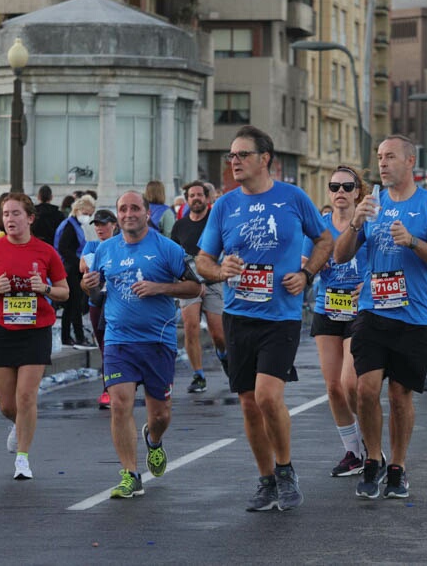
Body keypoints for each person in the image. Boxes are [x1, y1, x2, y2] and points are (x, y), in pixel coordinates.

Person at [196, 125, 333, 511]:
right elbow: (203, 260)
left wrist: (306, 276)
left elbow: (325, 240)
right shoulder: (224, 205)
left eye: (242, 155)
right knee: (248, 404)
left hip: (281, 317)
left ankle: (286, 469)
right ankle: (266, 479)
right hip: (239, 315)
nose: (234, 162)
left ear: (264, 159)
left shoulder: (292, 198)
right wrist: (220, 271)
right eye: (231, 157)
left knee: (268, 397)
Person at [333, 135, 427, 500]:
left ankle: (398, 466)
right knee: (365, 391)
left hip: (413, 315)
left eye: (390, 157)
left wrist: (414, 243)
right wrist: (355, 223)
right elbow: (339, 256)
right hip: (372, 311)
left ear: (410, 161)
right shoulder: (372, 203)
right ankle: (373, 459)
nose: (382, 163)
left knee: (400, 396)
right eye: (380, 157)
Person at [81, 191, 201, 499]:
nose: (128, 213)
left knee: (160, 415)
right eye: (123, 209)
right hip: (118, 340)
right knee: (120, 404)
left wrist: (160, 287)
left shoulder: (167, 248)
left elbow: (195, 286)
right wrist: (89, 288)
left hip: (157, 341)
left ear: (147, 213)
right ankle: (130, 474)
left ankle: (154, 439)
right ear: (117, 215)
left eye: (135, 208)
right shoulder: (105, 250)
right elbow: (94, 295)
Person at [0, 193, 70, 480]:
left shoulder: (45, 251)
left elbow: (64, 291)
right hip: (1, 329)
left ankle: (23, 459)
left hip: (35, 330)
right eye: (5, 214)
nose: (10, 219)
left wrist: (46, 289)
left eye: (16, 213)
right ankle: (19, 424)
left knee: (26, 396)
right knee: (7, 404)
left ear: (29, 218)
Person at [305, 166, 369, 476]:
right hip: (328, 306)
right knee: (333, 388)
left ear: (358, 191)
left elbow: (385, 259)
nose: (340, 191)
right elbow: (307, 261)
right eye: (334, 186)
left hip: (361, 309)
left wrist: (367, 284)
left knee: (349, 384)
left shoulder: (367, 223)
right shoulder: (319, 227)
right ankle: (353, 451)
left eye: (347, 186)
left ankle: (370, 442)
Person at [170, 181, 228, 393]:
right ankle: (198, 375)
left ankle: (224, 355)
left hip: (213, 281)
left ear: (207, 198)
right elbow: (174, 255)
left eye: (199, 195)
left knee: (218, 334)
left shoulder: (215, 222)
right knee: (190, 327)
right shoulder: (180, 226)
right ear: (187, 200)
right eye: (191, 195)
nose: (195, 199)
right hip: (189, 283)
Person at [79, 209, 118, 408]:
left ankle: (112, 388)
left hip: (118, 301)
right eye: (96, 224)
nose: (99, 228)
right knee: (104, 346)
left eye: (103, 224)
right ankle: (109, 388)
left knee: (114, 346)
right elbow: (83, 267)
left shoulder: (121, 244)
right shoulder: (92, 245)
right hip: (97, 301)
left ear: (114, 225)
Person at [55, 197, 91, 349]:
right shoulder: (70, 226)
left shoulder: (74, 225)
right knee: (73, 304)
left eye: (90, 213)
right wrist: (80, 263)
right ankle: (72, 336)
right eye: (86, 212)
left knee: (73, 305)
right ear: (77, 210)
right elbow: (64, 248)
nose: (88, 216)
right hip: (70, 269)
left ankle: (74, 336)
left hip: (72, 268)